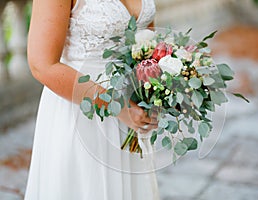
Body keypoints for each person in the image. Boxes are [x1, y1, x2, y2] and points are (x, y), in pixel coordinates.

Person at [25, 0, 160, 199]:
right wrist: (119, 107)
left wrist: (154, 90)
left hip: (132, 112)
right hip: (81, 110)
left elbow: (146, 38)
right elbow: (42, 65)